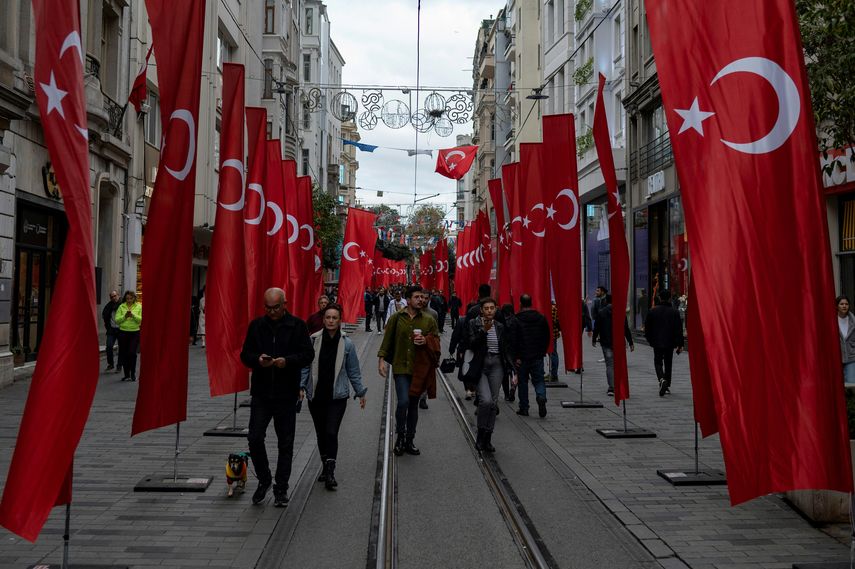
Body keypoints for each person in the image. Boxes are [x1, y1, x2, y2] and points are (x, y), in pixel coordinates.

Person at [240, 287, 314, 507]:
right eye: (268, 308)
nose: (271, 312)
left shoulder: (297, 326)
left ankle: (281, 488)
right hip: (262, 393)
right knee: (254, 437)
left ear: (285, 304)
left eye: (276, 307)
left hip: (286, 393)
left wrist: (287, 361)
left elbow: (307, 354)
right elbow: (245, 354)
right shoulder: (257, 326)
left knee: (286, 443)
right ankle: (264, 479)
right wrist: (258, 359)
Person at [300, 303, 367, 490]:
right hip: (316, 395)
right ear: (323, 320)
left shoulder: (347, 344)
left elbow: (353, 371)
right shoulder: (313, 340)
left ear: (340, 320)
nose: (331, 321)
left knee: (331, 432)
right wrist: (301, 386)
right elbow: (305, 366)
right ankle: (324, 466)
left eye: (334, 318)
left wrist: (360, 392)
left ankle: (330, 471)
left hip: (337, 397)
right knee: (321, 433)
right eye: (328, 317)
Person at [377, 285, 439, 456]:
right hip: (400, 366)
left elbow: (436, 339)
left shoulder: (428, 320)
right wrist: (381, 360)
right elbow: (387, 340)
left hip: (419, 368)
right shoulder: (397, 318)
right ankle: (400, 436)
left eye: (423, 297)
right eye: (417, 297)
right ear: (409, 299)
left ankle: (409, 440)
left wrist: (425, 340)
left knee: (412, 405)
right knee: (403, 401)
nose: (421, 300)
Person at [461, 298, 514, 452]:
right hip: (481, 365)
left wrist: (512, 370)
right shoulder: (473, 323)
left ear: (496, 309)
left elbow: (506, 349)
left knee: (493, 403)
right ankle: (480, 435)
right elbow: (470, 343)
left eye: (492, 308)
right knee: (485, 401)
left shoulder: (500, 326)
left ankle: (488, 438)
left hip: (497, 364)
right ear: (481, 310)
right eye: (486, 308)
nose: (490, 310)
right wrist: (483, 330)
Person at [509, 294, 551, 417]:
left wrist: (515, 357)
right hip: (537, 356)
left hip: (522, 358)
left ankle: (524, 408)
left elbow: (513, 340)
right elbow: (546, 336)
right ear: (531, 302)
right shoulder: (541, 317)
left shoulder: (516, 319)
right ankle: (541, 396)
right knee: (539, 380)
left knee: (523, 382)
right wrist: (542, 351)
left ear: (520, 304)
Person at [592, 294, 635, 396]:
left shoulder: (601, 312)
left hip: (606, 342)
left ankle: (611, 388)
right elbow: (625, 328)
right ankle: (619, 384)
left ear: (606, 301)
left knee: (610, 365)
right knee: (618, 364)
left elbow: (597, 327)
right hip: (619, 342)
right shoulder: (620, 312)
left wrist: (594, 339)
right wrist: (630, 342)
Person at [643, 289, 684, 396]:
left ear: (660, 298)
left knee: (658, 362)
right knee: (668, 363)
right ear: (669, 298)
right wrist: (680, 344)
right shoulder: (674, 311)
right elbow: (678, 329)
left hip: (657, 341)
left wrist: (649, 339)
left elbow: (647, 328)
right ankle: (667, 384)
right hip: (670, 342)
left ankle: (661, 379)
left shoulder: (652, 311)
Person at [114, 290, 142, 381]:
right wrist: (125, 316)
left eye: (131, 298)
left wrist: (133, 315)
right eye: (127, 298)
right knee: (124, 353)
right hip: (123, 332)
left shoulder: (139, 306)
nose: (129, 300)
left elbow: (140, 320)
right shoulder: (121, 306)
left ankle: (133, 373)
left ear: (134, 298)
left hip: (134, 332)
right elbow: (117, 320)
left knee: (132, 353)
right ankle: (127, 374)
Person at [497, 303, 517, 401]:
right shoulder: (516, 320)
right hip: (514, 349)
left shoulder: (500, 321)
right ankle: (513, 386)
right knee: (514, 371)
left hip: (504, 349)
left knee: (505, 373)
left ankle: (506, 394)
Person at [571, 299, 594, 374]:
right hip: (578, 325)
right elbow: (587, 315)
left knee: (574, 346)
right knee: (576, 346)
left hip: (574, 326)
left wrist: (590, 328)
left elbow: (586, 315)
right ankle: (575, 364)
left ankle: (577, 365)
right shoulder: (580, 301)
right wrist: (589, 328)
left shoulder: (579, 302)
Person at [101, 290, 120, 372]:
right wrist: (108, 327)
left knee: (122, 348)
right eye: (112, 297)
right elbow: (104, 315)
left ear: (118, 295)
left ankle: (119, 366)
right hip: (111, 329)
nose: (113, 298)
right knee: (109, 346)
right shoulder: (108, 306)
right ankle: (110, 364)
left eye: (115, 296)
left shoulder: (122, 304)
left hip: (121, 329)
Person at [837, 295, 855, 383]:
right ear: (837, 306)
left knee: (851, 384)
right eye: (841, 304)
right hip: (836, 358)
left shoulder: (853, 321)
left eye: (846, 304)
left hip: (851, 358)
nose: (844, 306)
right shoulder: (831, 321)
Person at [548, 301, 561, 381]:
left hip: (547, 334)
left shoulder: (551, 308)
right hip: (553, 333)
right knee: (553, 353)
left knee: (552, 354)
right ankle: (553, 373)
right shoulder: (554, 308)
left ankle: (553, 374)